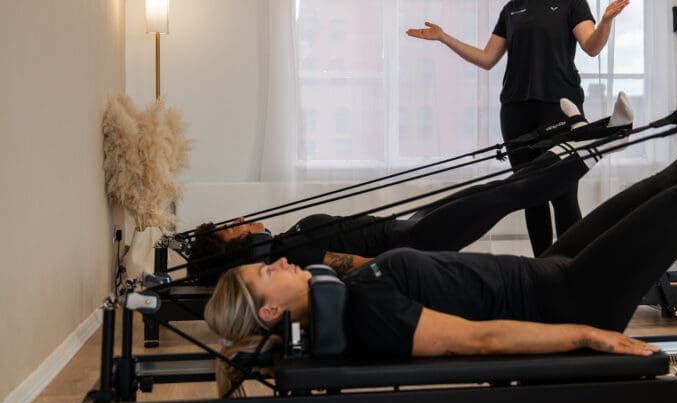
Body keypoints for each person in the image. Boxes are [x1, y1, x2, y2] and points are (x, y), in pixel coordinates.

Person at [204, 31, 677, 398]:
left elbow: (355, 269)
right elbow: (480, 344)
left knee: (661, 187)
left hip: (550, 271)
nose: (278, 261)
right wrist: (587, 338)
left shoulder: (336, 293)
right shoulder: (366, 316)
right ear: (270, 312)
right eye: (269, 275)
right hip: (572, 299)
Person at [187, 93, 636, 283]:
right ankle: (603, 142)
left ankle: (582, 136)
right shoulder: (293, 257)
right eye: (234, 229)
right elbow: (365, 266)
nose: (242, 221)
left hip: (411, 227)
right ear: (237, 248)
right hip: (417, 240)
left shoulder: (286, 243)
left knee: (506, 186)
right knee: (509, 194)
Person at [407, 0, 631, 255]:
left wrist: (606, 20)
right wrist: (445, 38)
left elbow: (592, 47)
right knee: (530, 195)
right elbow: (487, 59)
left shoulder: (570, 0)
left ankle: (571, 269)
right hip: (516, 110)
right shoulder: (513, 8)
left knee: (563, 193)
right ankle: (541, 270)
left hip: (560, 106)